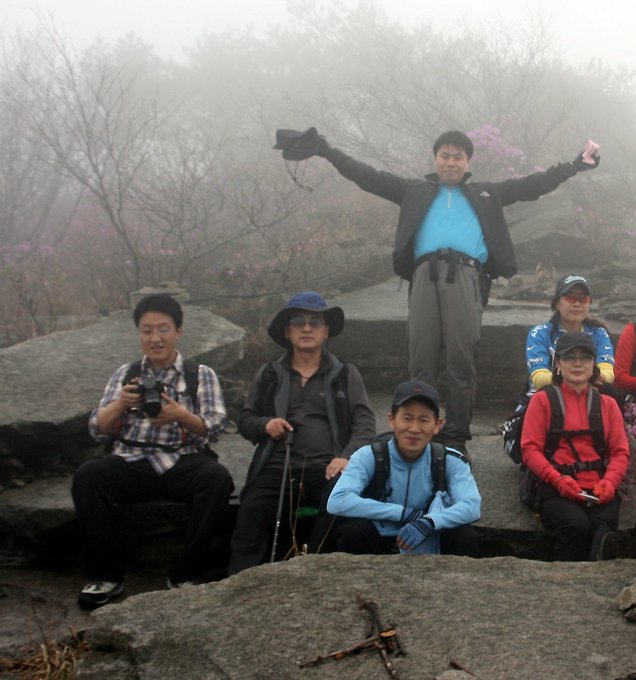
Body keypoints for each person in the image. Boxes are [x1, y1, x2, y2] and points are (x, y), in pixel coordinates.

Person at [276, 128, 600, 454]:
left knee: (461, 359)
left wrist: (574, 165)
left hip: (466, 276)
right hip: (423, 277)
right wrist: (327, 150)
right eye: (444, 155)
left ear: (467, 162)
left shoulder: (486, 193)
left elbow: (533, 185)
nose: (450, 162)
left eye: (457, 156)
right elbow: (367, 176)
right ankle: (421, 434)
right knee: (421, 358)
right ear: (435, 159)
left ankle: (456, 438)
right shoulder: (414, 190)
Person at [72, 294, 233, 609]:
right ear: (139, 333)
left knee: (217, 479)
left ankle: (186, 573)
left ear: (178, 332)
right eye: (147, 330)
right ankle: (106, 576)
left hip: (183, 459)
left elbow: (215, 426)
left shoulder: (199, 374)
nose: (155, 338)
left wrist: (181, 416)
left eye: (163, 329)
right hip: (131, 460)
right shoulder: (125, 373)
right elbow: (96, 428)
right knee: (88, 476)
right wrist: (121, 403)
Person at [229, 291, 376, 573]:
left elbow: (365, 424)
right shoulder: (270, 373)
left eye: (315, 321)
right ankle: (238, 588)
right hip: (276, 469)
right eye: (298, 321)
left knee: (341, 504)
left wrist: (346, 456)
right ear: (286, 331)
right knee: (250, 514)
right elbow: (246, 420)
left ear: (326, 330)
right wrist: (265, 424)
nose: (306, 328)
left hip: (327, 468)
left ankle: (313, 573)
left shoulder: (345, 373)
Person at [327, 380, 481, 556]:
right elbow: (337, 500)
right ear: (392, 420)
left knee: (464, 535)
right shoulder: (369, 456)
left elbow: (471, 505)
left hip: (430, 536)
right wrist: (401, 514)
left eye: (424, 420)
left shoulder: (449, 460)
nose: (414, 428)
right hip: (379, 536)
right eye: (407, 418)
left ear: (437, 425)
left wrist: (429, 522)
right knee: (352, 531)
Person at [520, 332, 630, 561]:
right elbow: (530, 449)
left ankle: (599, 570)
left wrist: (610, 482)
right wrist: (557, 480)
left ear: (594, 365)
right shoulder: (542, 400)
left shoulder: (608, 404)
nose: (578, 363)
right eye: (570, 357)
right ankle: (569, 585)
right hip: (555, 487)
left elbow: (620, 452)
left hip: (599, 488)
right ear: (558, 364)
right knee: (575, 526)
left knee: (602, 527)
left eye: (585, 357)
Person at [525, 274, 616, 392]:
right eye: (570, 298)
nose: (577, 304)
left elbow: (608, 373)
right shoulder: (539, 333)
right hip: (547, 395)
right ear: (557, 303)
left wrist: (583, 380)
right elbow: (539, 378)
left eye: (583, 299)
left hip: (588, 394)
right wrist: (577, 379)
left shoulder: (599, 333)